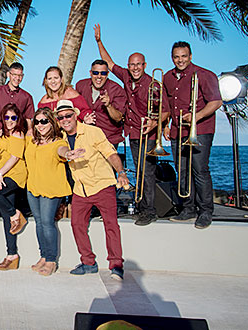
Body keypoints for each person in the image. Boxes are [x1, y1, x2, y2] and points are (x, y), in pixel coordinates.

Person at [94, 24, 169, 226]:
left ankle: (149, 210)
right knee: (140, 170)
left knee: (148, 172)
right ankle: (143, 207)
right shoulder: (126, 77)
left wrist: (155, 123)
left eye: (138, 64)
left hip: (149, 134)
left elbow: (166, 111)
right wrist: (99, 41)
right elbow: (109, 63)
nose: (135, 68)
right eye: (131, 65)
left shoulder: (154, 84)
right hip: (133, 133)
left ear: (144, 65)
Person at [54, 99, 129, 281]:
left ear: (75, 115)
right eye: (61, 117)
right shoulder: (61, 139)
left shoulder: (93, 132)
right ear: (58, 120)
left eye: (68, 115)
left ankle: (116, 265)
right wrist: (66, 153)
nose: (65, 119)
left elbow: (110, 153)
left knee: (111, 225)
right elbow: (60, 150)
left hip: (102, 185)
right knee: (77, 224)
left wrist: (120, 172)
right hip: (80, 189)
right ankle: (88, 263)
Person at [163, 41, 222, 229]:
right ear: (172, 58)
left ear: (190, 56)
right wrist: (165, 124)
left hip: (201, 131)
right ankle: (188, 209)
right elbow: (167, 105)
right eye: (176, 56)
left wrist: (196, 117)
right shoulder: (167, 77)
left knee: (200, 170)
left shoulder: (205, 75)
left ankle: (205, 211)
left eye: (183, 56)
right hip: (177, 131)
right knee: (182, 171)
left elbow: (216, 102)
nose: (180, 60)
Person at [25, 108, 84, 276]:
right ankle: (43, 255)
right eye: (37, 122)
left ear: (52, 122)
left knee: (46, 222)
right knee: (38, 222)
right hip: (33, 187)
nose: (40, 125)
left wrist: (69, 154)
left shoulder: (59, 142)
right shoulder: (31, 141)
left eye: (44, 121)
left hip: (51, 188)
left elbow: (62, 152)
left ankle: (51, 260)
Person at [0, 103, 28, 270]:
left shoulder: (18, 134)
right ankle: (12, 255)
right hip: (0, 176)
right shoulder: (1, 133)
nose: (9, 121)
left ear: (18, 119)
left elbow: (15, 157)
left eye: (13, 118)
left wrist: (0, 173)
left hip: (13, 175)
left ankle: (16, 213)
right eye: (7, 117)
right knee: (6, 218)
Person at [75, 60, 127, 149]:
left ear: (107, 74)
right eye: (95, 73)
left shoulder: (117, 90)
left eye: (103, 73)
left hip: (108, 138)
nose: (99, 76)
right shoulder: (81, 85)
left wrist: (108, 105)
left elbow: (118, 118)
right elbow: (75, 106)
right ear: (90, 73)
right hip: (86, 137)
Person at [0, 62, 34, 138]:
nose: (17, 78)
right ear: (8, 74)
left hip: (17, 139)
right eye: (14, 75)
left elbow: (29, 120)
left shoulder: (27, 97)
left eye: (20, 75)